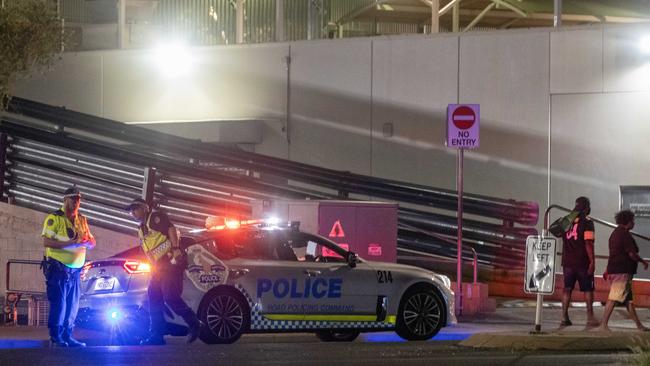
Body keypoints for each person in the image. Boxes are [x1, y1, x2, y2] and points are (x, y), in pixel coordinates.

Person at [126, 198, 203, 345]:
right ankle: (156, 334)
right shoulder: (141, 229)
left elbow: (171, 229)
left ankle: (194, 323)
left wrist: (175, 249)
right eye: (131, 210)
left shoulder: (155, 218)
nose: (133, 212)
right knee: (153, 297)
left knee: (170, 296)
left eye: (135, 208)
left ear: (144, 208)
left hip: (170, 262)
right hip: (158, 267)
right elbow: (148, 250)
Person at [41, 187, 96, 347]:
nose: (76, 202)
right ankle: (56, 336)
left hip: (75, 269)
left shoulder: (82, 220)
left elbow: (92, 242)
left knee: (73, 303)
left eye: (78, 199)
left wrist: (87, 242)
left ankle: (68, 335)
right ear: (65, 200)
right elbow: (47, 242)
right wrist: (69, 244)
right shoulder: (54, 218)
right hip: (59, 267)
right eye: (73, 199)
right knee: (59, 302)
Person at [600, 210, 649, 331]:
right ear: (627, 221)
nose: (634, 223)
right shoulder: (624, 234)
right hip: (622, 271)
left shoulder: (615, 233)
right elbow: (631, 253)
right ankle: (603, 325)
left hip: (616, 270)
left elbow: (614, 253)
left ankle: (639, 325)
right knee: (613, 298)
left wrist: (607, 270)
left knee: (628, 301)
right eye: (632, 220)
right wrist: (642, 261)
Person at [560, 196, 598, 327]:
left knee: (567, 289)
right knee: (588, 289)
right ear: (587, 207)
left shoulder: (567, 221)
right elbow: (588, 243)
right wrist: (592, 261)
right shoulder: (587, 222)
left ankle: (564, 317)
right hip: (582, 261)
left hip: (567, 262)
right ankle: (590, 317)